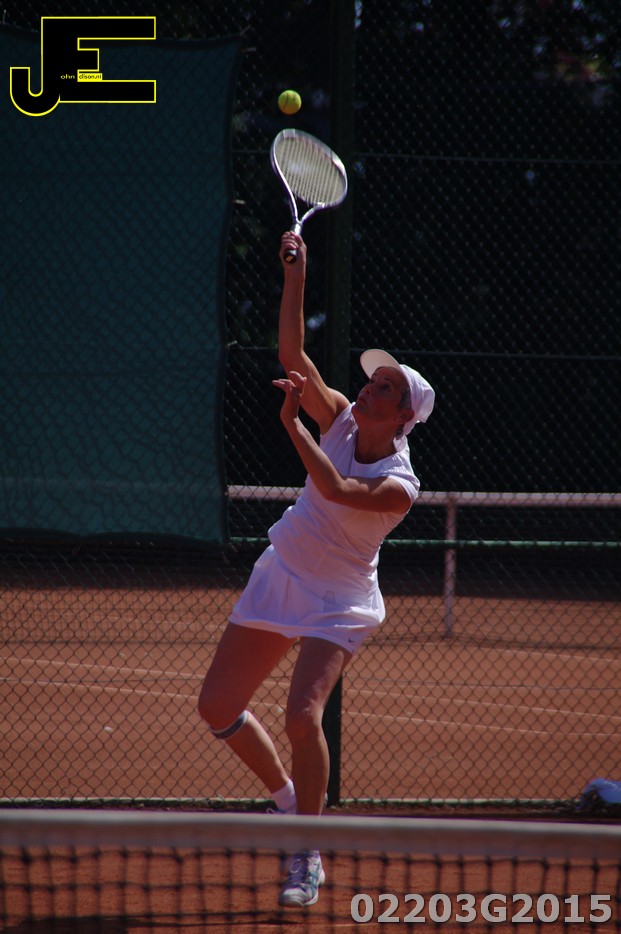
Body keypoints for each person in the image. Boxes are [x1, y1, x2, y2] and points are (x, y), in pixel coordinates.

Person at [198, 230, 435, 908]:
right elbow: (291, 355)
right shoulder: (339, 416)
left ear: (403, 415)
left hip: (339, 599)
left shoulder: (399, 485)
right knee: (217, 707)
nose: (367, 387)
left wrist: (292, 427)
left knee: (302, 717)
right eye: (371, 380)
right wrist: (296, 273)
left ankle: (306, 847)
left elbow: (335, 489)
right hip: (283, 571)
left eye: (384, 387)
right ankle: (285, 802)